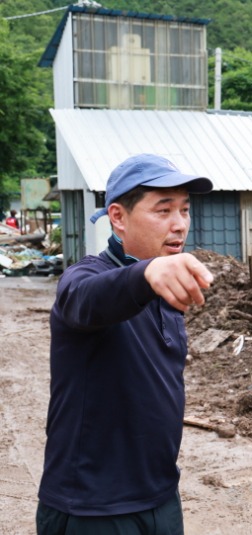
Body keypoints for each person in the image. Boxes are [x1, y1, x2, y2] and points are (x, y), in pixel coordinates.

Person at [36, 153, 215, 535]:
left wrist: (153, 275)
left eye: (184, 209)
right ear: (118, 217)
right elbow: (83, 299)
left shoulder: (165, 286)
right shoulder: (89, 277)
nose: (179, 224)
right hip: (93, 507)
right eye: (163, 210)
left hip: (160, 496)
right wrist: (146, 273)